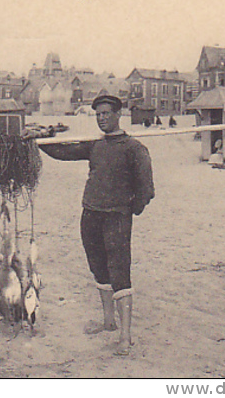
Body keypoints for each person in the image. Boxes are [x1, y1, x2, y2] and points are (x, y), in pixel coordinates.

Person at [25, 95, 154, 356]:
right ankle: (108, 322)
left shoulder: (134, 148)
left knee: (119, 271)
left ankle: (125, 336)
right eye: (98, 114)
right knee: (98, 267)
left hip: (116, 217)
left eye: (107, 113)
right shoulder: (95, 146)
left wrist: (130, 209)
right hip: (90, 213)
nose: (102, 118)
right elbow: (63, 152)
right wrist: (37, 141)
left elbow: (146, 189)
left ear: (119, 114)